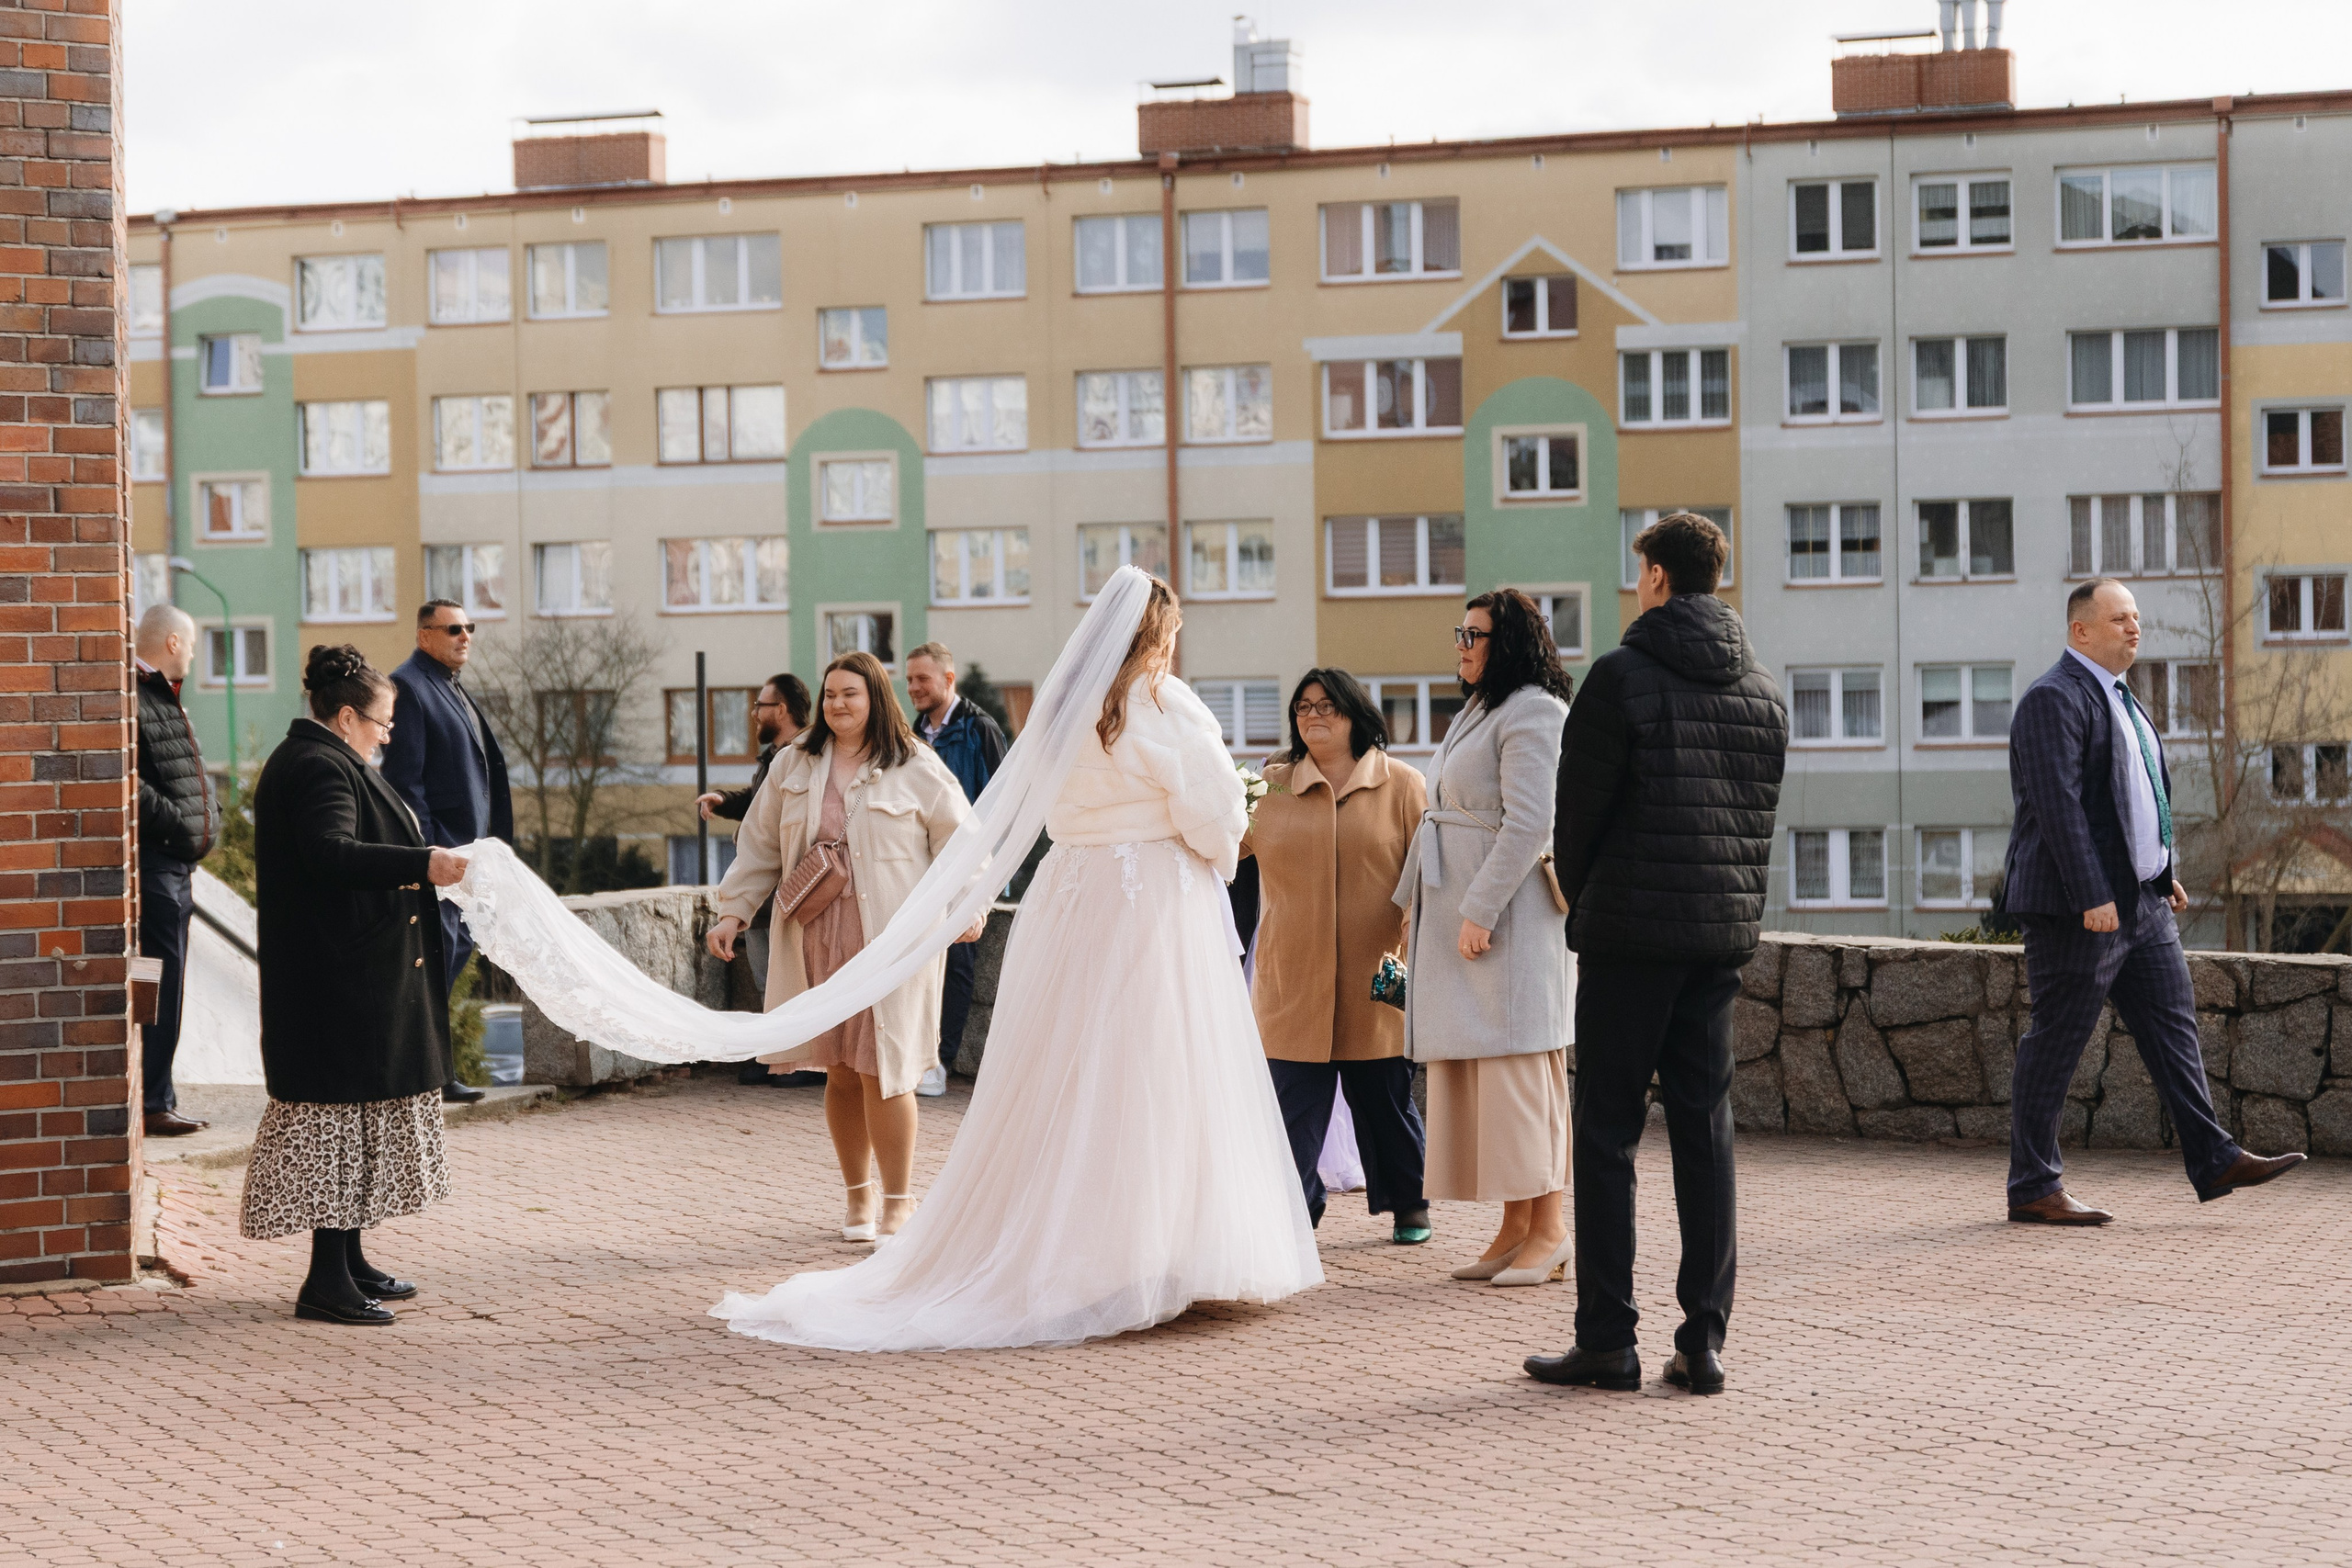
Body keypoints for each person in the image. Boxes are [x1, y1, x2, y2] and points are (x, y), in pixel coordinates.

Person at [710, 570, 1321, 1350]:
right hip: (1153, 904)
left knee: (1067, 1072)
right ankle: (1159, 1250)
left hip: (1072, 896)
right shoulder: (1167, 705)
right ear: (1158, 634)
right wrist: (1229, 823)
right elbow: (1214, 815)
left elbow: (1041, 811)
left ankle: (1079, 1246)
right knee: (1159, 1065)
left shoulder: (1063, 713)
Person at [1528, 512, 1787, 1398]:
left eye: (1640, 571)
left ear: (1659, 579)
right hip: (1716, 939)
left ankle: (1607, 1339)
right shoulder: (1763, 688)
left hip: (1629, 937)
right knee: (1704, 1134)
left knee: (1603, 1133)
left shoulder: (1620, 677)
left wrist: (1586, 895)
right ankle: (1703, 1341)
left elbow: (1578, 819)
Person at [1999, 579, 2305, 1225]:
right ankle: (2032, 1184)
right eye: (2118, 619)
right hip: (2077, 909)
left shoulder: (2122, 699)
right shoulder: (2053, 699)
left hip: (2142, 905)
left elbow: (2133, 797)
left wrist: (2162, 871)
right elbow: (2059, 809)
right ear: (2081, 630)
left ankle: (2213, 1155)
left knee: (2174, 1029)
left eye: (2136, 617)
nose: (2134, 628)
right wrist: (2092, 894)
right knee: (2056, 1040)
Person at [706, 652, 978, 1241]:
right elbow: (757, 848)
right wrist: (732, 913)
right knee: (842, 1071)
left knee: (888, 1070)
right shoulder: (791, 765)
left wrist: (970, 906)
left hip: (891, 942)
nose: (837, 704)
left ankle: (899, 1201)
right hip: (815, 936)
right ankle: (858, 1198)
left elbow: (964, 844)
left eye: (850, 694)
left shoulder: (916, 767)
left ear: (876, 698)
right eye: (830, 694)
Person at [240, 645, 469, 1324]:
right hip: (332, 985)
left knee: (357, 1126)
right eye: (382, 722)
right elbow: (331, 855)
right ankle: (325, 1280)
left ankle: (350, 1260)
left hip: (346, 978)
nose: (388, 733)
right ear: (345, 716)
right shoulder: (317, 766)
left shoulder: (325, 758)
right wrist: (423, 861)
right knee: (335, 1131)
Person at [1394, 591, 1576, 1289]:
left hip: (1511, 923)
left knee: (1521, 1073)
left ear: (1513, 642)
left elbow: (1531, 823)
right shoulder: (1481, 708)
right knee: (1487, 1078)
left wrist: (1478, 909)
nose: (1462, 644)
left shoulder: (1535, 710)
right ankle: (1515, 1227)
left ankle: (1552, 1231)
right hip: (1466, 916)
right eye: (1460, 632)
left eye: (1475, 634)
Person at [1245, 668, 1430, 1244]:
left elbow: (1426, 875)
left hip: (1379, 970)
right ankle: (1299, 1208)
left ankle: (1408, 1203)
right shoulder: (1267, 787)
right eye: (1302, 707)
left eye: (1327, 705)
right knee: (1291, 1105)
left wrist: (1411, 938)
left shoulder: (1402, 784)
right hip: (1290, 975)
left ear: (1355, 713)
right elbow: (1215, 848)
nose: (1313, 716)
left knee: (1385, 1099)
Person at [381, 599, 513, 1106]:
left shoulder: (449, 686)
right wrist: (431, 853)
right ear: (425, 636)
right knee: (433, 965)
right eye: (454, 629)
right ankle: (426, 1074)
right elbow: (407, 784)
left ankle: (432, 1072)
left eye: (470, 628)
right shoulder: (410, 687)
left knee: (447, 962)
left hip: (468, 858)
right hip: (441, 861)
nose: (465, 636)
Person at [694, 673, 814, 1087]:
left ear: (781, 710)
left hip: (792, 890)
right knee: (768, 980)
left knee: (792, 979)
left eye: (760, 705)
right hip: (762, 897)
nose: (753, 713)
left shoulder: (807, 755)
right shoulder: (774, 757)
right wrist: (725, 800)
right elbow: (760, 808)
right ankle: (779, 1056)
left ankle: (799, 1061)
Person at [904, 641, 1008, 1096]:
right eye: (908, 680)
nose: (913, 688)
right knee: (912, 959)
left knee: (958, 962)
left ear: (948, 679)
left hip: (964, 864)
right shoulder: (913, 732)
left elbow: (1002, 804)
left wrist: (987, 877)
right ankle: (914, 1055)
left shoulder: (979, 730)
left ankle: (939, 1063)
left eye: (921, 679)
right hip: (919, 865)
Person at [132, 604, 220, 1137]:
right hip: (157, 868)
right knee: (158, 985)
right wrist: (181, 823)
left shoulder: (162, 697)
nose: (191, 652)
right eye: (188, 643)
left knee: (159, 982)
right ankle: (151, 1102)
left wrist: (208, 817)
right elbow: (131, 780)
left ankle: (153, 1096)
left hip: (172, 868)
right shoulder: (139, 695)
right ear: (170, 642)